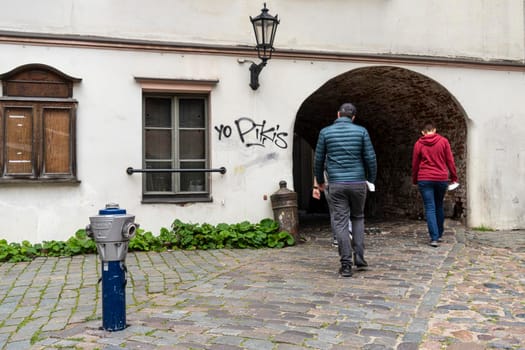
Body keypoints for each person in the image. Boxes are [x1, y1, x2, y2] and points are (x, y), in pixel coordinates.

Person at [313, 103, 377, 277]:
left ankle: (346, 264)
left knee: (340, 221)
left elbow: (318, 160)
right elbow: (370, 157)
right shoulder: (362, 131)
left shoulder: (325, 132)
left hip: (336, 183)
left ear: (338, 114)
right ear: (353, 117)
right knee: (358, 217)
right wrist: (370, 179)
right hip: (357, 182)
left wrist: (319, 181)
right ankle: (360, 258)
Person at [412, 122, 458, 247]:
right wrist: (454, 177)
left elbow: (415, 164)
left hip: (425, 178)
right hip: (441, 178)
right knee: (439, 205)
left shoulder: (419, 144)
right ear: (435, 130)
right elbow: (450, 160)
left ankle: (434, 237)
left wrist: (415, 179)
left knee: (430, 207)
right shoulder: (443, 142)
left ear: (423, 132)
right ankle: (439, 233)